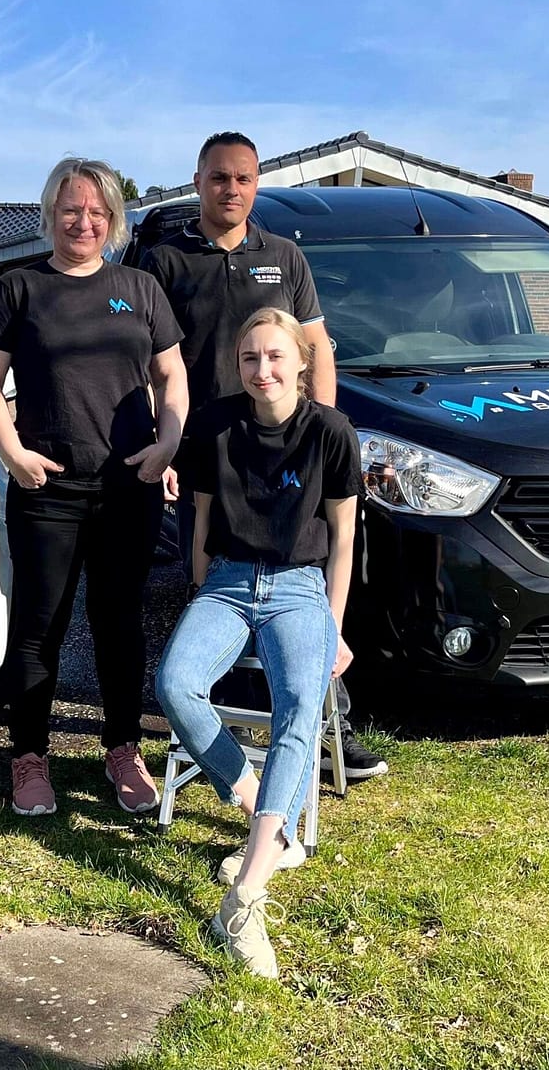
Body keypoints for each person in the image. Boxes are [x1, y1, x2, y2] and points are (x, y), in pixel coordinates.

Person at [141, 130, 387, 781]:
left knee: (304, 581)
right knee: (210, 586)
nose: (232, 189)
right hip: (207, 458)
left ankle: (327, 725)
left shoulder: (283, 256)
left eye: (244, 178)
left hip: (286, 455)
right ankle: (216, 725)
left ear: (256, 185)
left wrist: (321, 432)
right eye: (219, 177)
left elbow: (316, 346)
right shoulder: (164, 261)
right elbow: (148, 362)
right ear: (198, 181)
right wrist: (164, 446)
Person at [0, 157, 188, 817]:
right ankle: (29, 756)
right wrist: (13, 455)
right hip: (48, 487)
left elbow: (171, 376)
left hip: (129, 485)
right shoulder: (19, 288)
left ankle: (122, 749)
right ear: (50, 214)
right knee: (40, 626)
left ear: (113, 219)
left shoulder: (139, 288)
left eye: (97, 211)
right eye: (71, 209)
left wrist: (168, 444)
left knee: (119, 623)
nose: (83, 222)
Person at [154, 307, 359, 978]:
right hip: (228, 581)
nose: (262, 369)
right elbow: (200, 519)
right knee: (175, 684)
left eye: (275, 356)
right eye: (250, 358)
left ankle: (244, 898)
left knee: (300, 705)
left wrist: (333, 625)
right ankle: (262, 813)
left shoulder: (329, 432)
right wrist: (200, 591)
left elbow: (343, 538)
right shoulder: (216, 424)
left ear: (301, 363)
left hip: (300, 587)